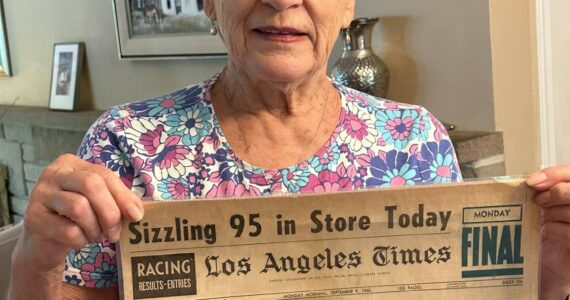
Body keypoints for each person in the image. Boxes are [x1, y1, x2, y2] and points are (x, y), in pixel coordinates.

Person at [7, 0, 570, 299]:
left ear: (347, 5)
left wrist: (548, 275)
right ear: (208, 1)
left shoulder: (414, 139)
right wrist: (36, 257)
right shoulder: (126, 142)